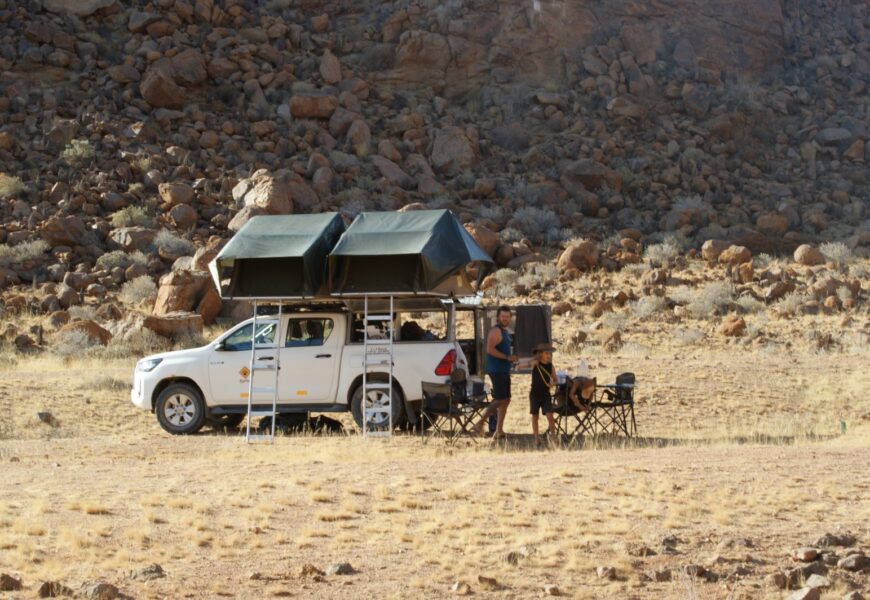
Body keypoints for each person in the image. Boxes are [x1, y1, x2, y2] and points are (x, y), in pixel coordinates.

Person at [474, 306, 517, 439]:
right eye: (503, 316)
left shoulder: (505, 332)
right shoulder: (495, 331)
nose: (505, 318)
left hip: (504, 370)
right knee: (499, 399)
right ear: (498, 317)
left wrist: (512, 359)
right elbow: (490, 350)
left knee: (506, 399)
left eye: (507, 316)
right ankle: (479, 423)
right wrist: (506, 357)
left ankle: (499, 430)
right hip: (496, 370)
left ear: (510, 318)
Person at [529, 343, 557, 446]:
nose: (548, 355)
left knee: (550, 416)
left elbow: (555, 379)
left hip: (546, 394)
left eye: (549, 353)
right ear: (541, 354)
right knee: (535, 416)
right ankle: (536, 438)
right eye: (546, 353)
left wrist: (552, 384)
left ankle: (553, 438)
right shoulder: (535, 364)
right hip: (535, 394)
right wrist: (534, 362)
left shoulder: (550, 366)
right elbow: (530, 365)